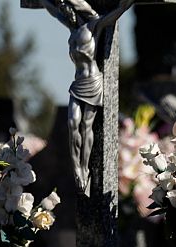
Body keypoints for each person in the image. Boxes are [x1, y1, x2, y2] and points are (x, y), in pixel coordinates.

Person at [41, 0, 135, 197]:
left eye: (68, 9)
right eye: (65, 11)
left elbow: (112, 17)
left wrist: (127, 4)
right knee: (71, 123)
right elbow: (51, 10)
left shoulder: (93, 26)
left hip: (93, 82)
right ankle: (78, 170)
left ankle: (86, 167)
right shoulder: (72, 29)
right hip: (77, 83)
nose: (66, 13)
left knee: (85, 126)